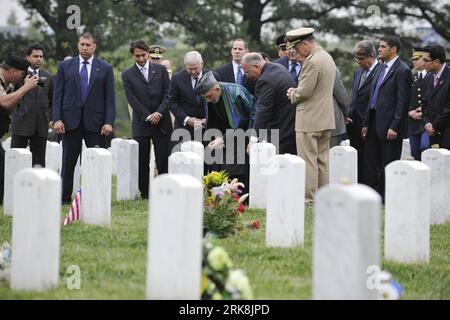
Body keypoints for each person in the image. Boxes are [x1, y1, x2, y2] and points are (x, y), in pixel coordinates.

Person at [53, 32, 116, 204]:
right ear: (78, 45)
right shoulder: (65, 66)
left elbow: (110, 99)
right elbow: (57, 95)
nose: (84, 47)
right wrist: (57, 119)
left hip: (96, 124)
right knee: (68, 164)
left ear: (94, 46)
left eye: (88, 44)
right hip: (70, 122)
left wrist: (109, 122)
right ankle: (64, 198)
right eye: (82, 44)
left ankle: (97, 199)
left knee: (97, 163)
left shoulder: (105, 68)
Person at [286, 27, 336, 204]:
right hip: (325, 118)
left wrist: (293, 93)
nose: (296, 53)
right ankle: (323, 197)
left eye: (297, 49)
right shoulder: (327, 57)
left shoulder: (312, 61)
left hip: (309, 119)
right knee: (322, 161)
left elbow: (304, 92)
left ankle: (309, 199)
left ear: (305, 44)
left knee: (308, 162)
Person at [361, 35, 412, 199]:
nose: (379, 49)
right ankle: (372, 196)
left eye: (383, 47)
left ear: (393, 49)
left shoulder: (403, 70)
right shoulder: (380, 68)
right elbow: (372, 98)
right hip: (373, 121)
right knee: (371, 162)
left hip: (389, 125)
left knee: (387, 163)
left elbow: (402, 102)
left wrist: (395, 126)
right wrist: (366, 122)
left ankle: (387, 196)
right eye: (379, 46)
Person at [121, 40, 172, 199]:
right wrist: (148, 116)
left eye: (143, 55)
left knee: (163, 157)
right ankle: (145, 193)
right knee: (142, 159)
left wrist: (159, 113)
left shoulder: (161, 70)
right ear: (132, 55)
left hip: (162, 121)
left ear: (148, 53)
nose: (141, 59)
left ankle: (165, 189)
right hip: (142, 122)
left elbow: (168, 93)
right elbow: (132, 99)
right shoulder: (127, 74)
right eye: (137, 56)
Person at [195, 71, 256, 191]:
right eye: (205, 98)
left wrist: (222, 138)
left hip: (244, 135)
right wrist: (217, 137)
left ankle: (238, 196)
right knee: (218, 165)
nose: (207, 100)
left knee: (236, 168)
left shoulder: (236, 93)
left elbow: (245, 120)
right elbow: (214, 119)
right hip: (224, 137)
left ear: (217, 89)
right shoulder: (211, 96)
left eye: (208, 96)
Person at [0, 53, 38, 204]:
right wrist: (25, 88)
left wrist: (22, 90)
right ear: (13, 71)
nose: (23, 78)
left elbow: (9, 108)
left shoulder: (9, 84)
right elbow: (3, 102)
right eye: (23, 74)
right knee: (2, 162)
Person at [241, 52, 296, 155]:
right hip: (291, 126)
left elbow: (262, 111)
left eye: (247, 72)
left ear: (256, 66)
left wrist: (253, 140)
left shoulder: (265, 80)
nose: (247, 76)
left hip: (279, 131)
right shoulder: (278, 67)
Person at [11, 43, 53, 167]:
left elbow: (52, 100)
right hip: (21, 123)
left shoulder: (48, 77)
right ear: (27, 57)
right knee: (15, 161)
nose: (39, 59)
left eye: (41, 56)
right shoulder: (19, 75)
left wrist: (51, 118)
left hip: (41, 125)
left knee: (39, 162)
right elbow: (12, 95)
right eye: (35, 56)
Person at [347, 40, 380, 183]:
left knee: (371, 161)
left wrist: (366, 122)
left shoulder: (380, 72)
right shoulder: (358, 73)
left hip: (370, 124)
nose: (358, 62)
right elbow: (355, 98)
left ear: (371, 55)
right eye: (356, 58)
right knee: (358, 160)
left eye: (361, 58)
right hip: (354, 123)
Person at [168, 51, 219, 144]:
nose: (193, 71)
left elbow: (218, 103)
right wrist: (187, 119)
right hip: (184, 128)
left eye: (196, 68)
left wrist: (208, 119)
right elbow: (171, 102)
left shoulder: (213, 77)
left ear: (202, 64)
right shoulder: (176, 78)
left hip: (208, 128)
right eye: (190, 69)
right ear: (185, 66)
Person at [422, 45, 450, 150]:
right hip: (432, 133)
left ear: (436, 61)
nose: (423, 63)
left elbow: (448, 108)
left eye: (426, 60)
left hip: (446, 132)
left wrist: (435, 126)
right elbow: (424, 104)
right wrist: (427, 123)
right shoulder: (428, 77)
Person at [407, 47, 430, 160]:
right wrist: (409, 113)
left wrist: (424, 111)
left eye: (417, 59)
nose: (414, 61)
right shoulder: (412, 77)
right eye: (413, 59)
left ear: (424, 59)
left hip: (427, 120)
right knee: (414, 151)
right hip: (413, 121)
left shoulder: (431, 76)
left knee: (425, 147)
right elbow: (404, 98)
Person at [330, 68, 349, 148]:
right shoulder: (331, 68)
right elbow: (342, 97)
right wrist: (346, 115)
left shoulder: (306, 67)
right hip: (332, 123)